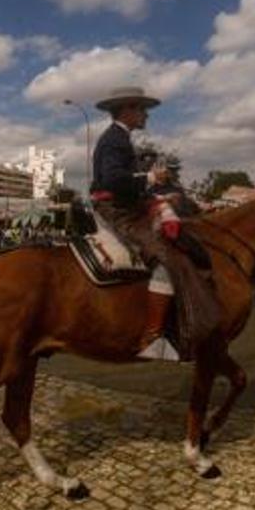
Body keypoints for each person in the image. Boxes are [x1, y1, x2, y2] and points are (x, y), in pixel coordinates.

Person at [90, 86, 217, 361]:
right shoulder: (115, 139)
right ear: (127, 110)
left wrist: (156, 194)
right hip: (116, 210)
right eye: (141, 109)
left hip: (123, 205)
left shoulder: (120, 138)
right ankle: (151, 336)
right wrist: (150, 179)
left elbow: (125, 183)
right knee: (163, 258)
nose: (146, 115)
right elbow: (113, 181)